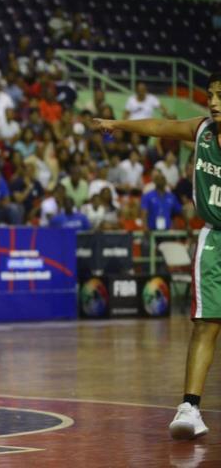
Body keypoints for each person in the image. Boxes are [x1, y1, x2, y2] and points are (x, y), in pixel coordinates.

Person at [92, 72, 221, 441]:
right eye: (211, 95)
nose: (213, 102)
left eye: (220, 96)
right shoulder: (202, 131)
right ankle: (190, 407)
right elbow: (161, 125)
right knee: (205, 323)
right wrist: (118, 122)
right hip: (214, 238)